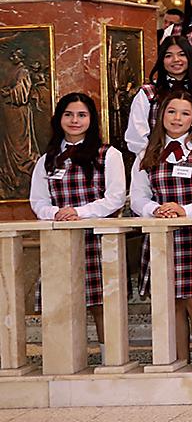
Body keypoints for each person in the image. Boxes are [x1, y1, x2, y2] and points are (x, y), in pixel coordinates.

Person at [131, 89, 192, 363]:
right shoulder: (146, 153)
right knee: (169, 302)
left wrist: (185, 210)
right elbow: (138, 197)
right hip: (161, 237)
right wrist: (156, 209)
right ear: (161, 115)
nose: (177, 118)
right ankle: (179, 364)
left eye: (185, 113)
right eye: (171, 111)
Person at [30, 93, 127, 354]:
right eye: (69, 114)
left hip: (97, 238)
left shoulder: (108, 154)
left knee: (101, 303)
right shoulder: (47, 159)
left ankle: (112, 358)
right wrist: (58, 213)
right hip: (60, 241)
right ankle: (66, 357)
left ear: (91, 119)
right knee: (61, 301)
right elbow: (38, 201)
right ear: (59, 119)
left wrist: (79, 213)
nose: (75, 120)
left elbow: (115, 198)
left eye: (82, 115)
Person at [126, 36, 192, 157]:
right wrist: (150, 159)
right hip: (158, 159)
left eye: (182, 54)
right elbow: (136, 135)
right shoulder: (149, 92)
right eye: (168, 56)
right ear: (161, 60)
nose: (176, 60)